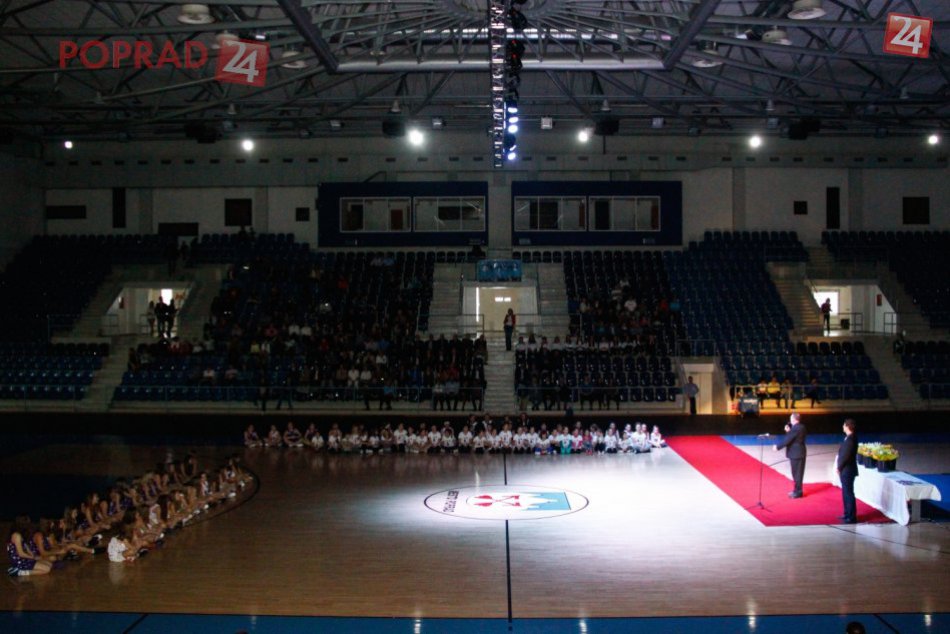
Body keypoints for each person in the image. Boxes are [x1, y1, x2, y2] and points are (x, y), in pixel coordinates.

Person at [774, 412, 807, 498]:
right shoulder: (800, 427)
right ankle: (797, 490)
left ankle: (798, 492)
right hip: (798, 453)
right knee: (796, 473)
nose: (790, 420)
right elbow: (793, 437)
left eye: (791, 418)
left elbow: (788, 440)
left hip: (797, 453)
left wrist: (777, 447)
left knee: (797, 474)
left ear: (794, 419)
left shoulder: (796, 428)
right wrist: (789, 431)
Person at [836, 419, 859, 524]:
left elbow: (845, 456)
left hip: (847, 470)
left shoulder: (850, 440)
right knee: (845, 492)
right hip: (846, 469)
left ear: (848, 426)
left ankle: (851, 516)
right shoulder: (849, 438)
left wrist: (839, 467)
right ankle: (847, 513)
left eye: (844, 425)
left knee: (848, 493)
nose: (843, 427)